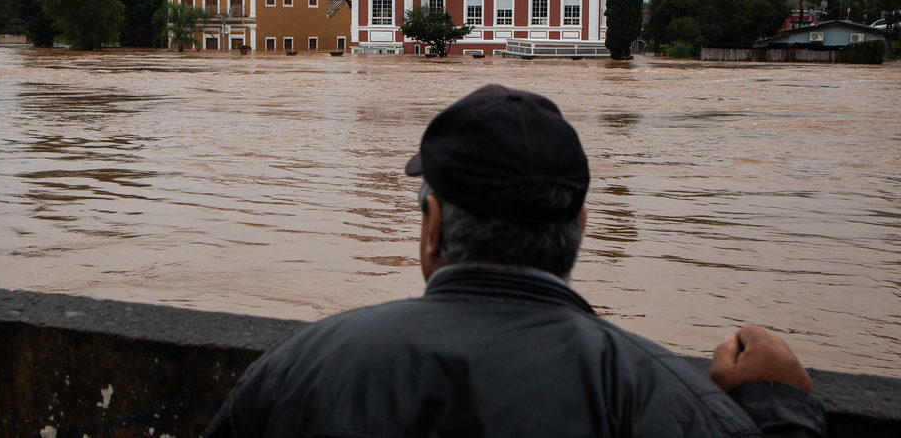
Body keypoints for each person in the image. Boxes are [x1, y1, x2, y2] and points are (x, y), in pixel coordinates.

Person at [206, 84, 825, 437]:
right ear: (580, 228)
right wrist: (779, 410)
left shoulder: (300, 372)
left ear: (434, 230)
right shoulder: (669, 400)